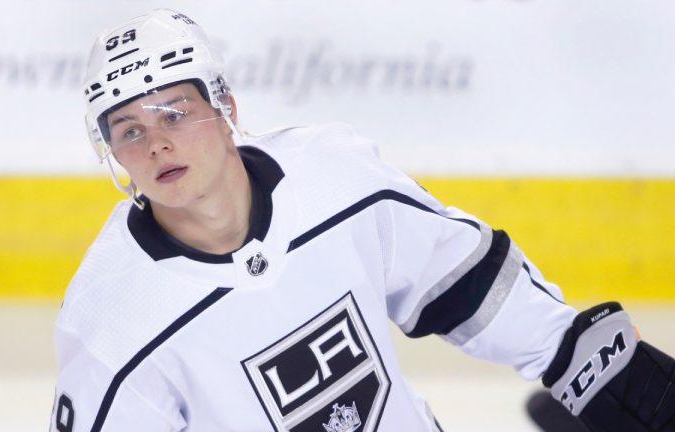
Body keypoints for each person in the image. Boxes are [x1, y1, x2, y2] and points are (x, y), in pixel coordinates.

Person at [50, 9, 675, 432]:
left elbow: (462, 282)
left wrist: (575, 360)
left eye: (174, 113)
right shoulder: (110, 320)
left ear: (225, 104)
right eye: (128, 130)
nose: (155, 144)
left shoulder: (335, 178)